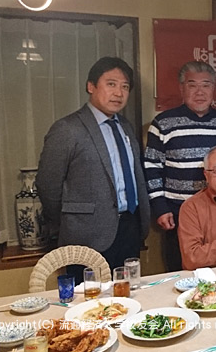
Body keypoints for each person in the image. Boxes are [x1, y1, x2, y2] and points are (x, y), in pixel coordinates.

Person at [37, 57, 150, 277]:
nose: (118, 93)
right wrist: (68, 221)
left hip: (130, 227)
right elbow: (48, 185)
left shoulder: (125, 126)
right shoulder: (67, 129)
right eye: (111, 84)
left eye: (125, 87)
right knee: (87, 297)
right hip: (86, 234)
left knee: (128, 292)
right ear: (91, 86)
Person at [144, 61, 216, 271]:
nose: (200, 92)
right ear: (181, 88)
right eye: (192, 85)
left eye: (206, 85)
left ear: (213, 88)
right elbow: (152, 168)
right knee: (183, 271)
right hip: (178, 211)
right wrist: (160, 207)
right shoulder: (163, 123)